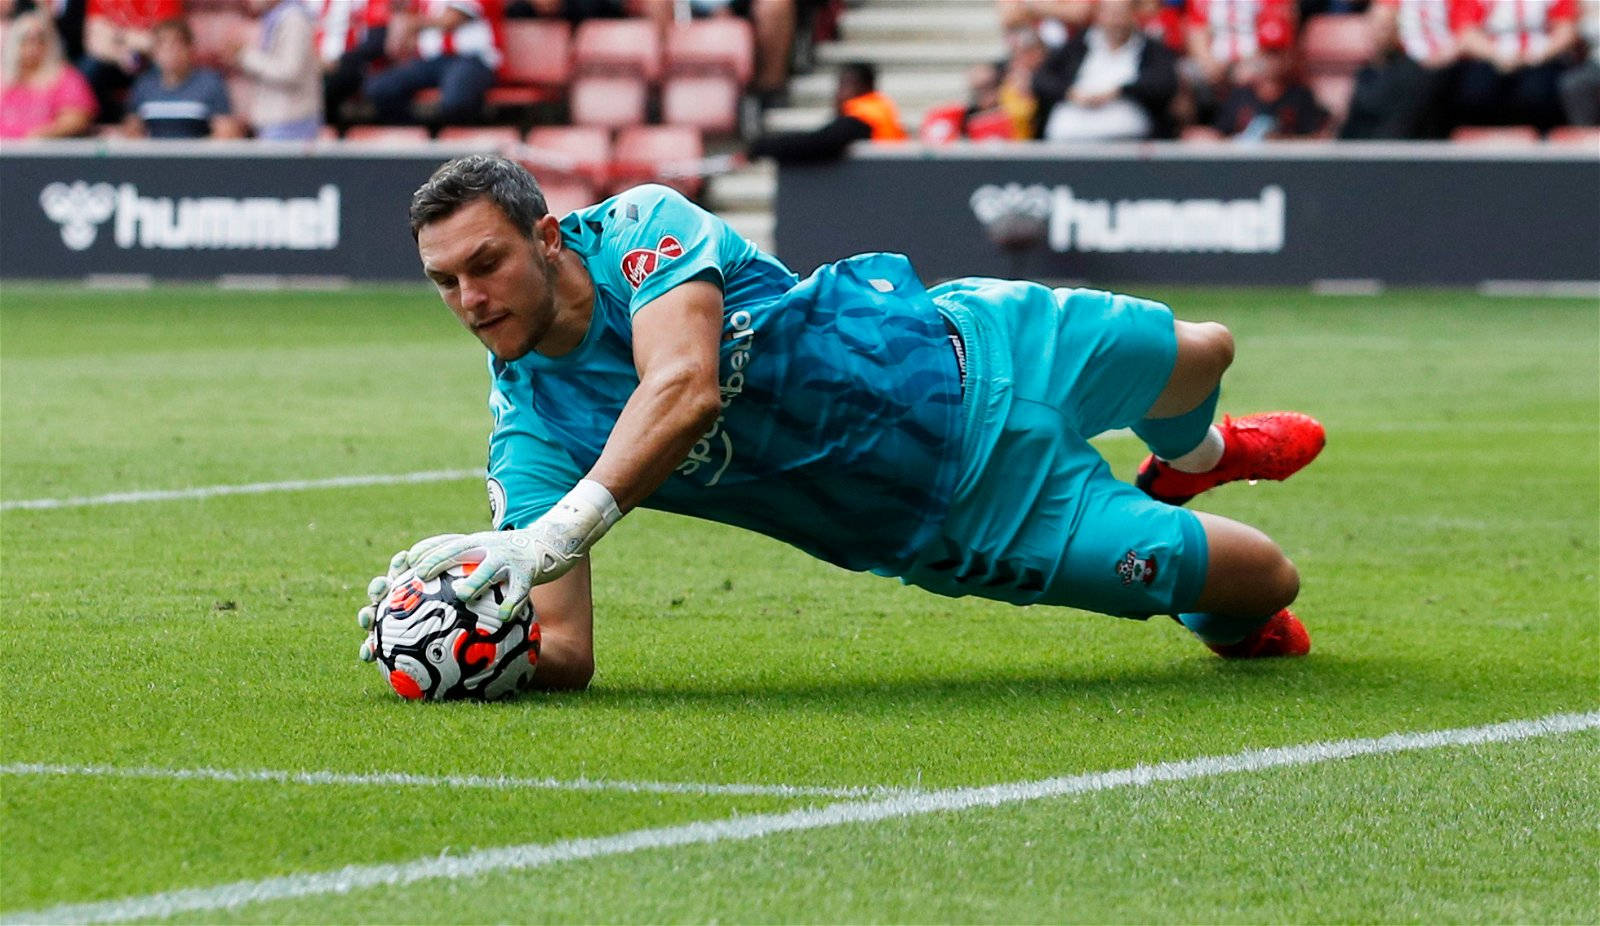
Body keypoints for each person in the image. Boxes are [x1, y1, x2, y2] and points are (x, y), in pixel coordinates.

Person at [357, 155, 1327, 691]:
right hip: (969, 518)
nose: (469, 295)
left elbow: (683, 381)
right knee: (1261, 581)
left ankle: (1200, 454)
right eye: (445, 280)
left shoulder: (639, 230)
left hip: (974, 338)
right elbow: (566, 649)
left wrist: (559, 531)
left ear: (545, 234)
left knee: (1204, 347)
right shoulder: (529, 430)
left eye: (484, 262)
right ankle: (1215, 598)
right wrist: (468, 638)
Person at [1031, 0, 1178, 141]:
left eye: (1121, 13)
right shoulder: (1079, 45)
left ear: (1133, 14)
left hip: (1127, 139)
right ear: (1099, 14)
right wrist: (1072, 93)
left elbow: (1164, 84)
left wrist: (1119, 92)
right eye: (1110, 12)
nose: (1115, 20)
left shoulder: (1149, 49)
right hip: (1068, 137)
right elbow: (1041, 79)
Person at [363, 0, 501, 126]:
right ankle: (418, 135)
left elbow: (451, 20)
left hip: (471, 60)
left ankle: (461, 138)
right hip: (431, 61)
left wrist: (409, 23)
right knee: (381, 88)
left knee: (457, 99)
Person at [1453, 0, 1578, 133]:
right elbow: (1467, 31)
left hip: (1542, 58)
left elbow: (1565, 29)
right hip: (1491, 57)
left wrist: (1537, 55)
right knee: (1475, 91)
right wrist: (1497, 56)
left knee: (1536, 93)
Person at [746, 61, 905, 162]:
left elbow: (817, 143)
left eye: (847, 85)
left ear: (867, 87)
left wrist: (761, 147)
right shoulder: (881, 109)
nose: (840, 94)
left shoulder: (865, 116)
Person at [121, 16, 241, 138]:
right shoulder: (144, 85)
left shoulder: (210, 83)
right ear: (154, 52)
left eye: (176, 44)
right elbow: (132, 133)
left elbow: (225, 133)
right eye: (162, 45)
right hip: (155, 156)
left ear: (190, 49)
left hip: (198, 156)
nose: (169, 51)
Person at [229, 0, 321, 140]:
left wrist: (245, 56)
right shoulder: (276, 17)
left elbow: (290, 71)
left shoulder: (294, 19)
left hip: (291, 123)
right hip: (277, 122)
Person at [0, 8, 97, 139]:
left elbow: (76, 118)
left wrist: (39, 136)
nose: (32, 47)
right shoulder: (4, 77)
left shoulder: (65, 77)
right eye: (25, 39)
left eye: (39, 39)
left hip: (44, 153)